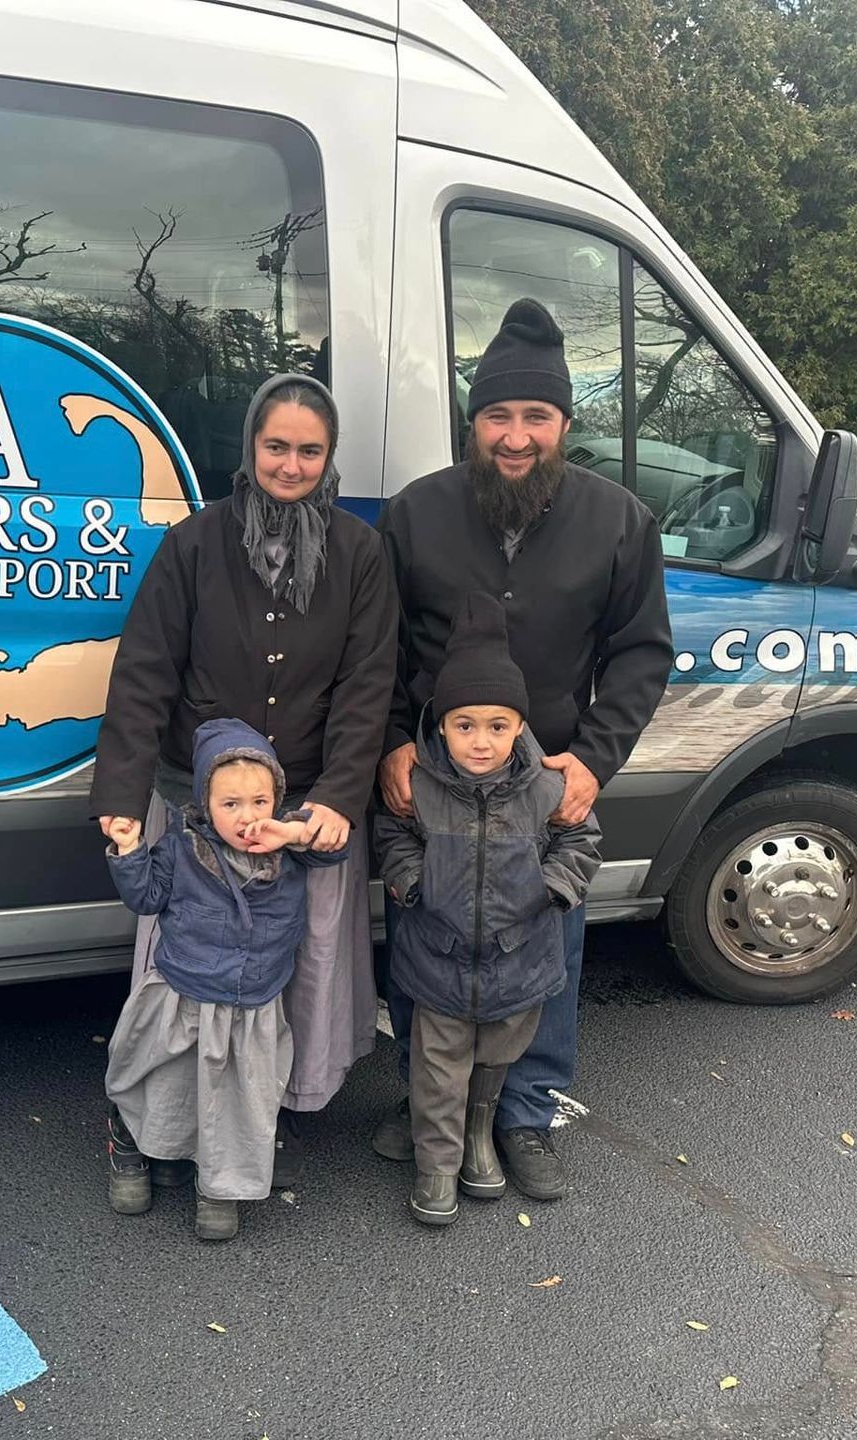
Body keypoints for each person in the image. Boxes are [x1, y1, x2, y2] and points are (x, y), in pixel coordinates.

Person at [374, 298, 674, 1201]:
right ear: (474, 424)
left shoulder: (619, 522)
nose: (515, 437)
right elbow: (375, 648)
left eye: (535, 417)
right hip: (427, 789)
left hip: (545, 790)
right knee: (421, 942)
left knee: (547, 948)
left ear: (564, 425)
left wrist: (593, 759)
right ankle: (427, 1102)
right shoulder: (415, 514)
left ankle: (527, 1112)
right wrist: (391, 742)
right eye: (498, 416)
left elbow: (642, 652)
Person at [91, 372, 399, 1184]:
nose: (290, 465)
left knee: (297, 965)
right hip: (197, 807)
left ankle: (268, 1104)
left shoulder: (362, 554)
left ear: (329, 458)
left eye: (308, 450)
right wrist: (121, 801)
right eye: (275, 446)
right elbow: (144, 674)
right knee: (181, 975)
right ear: (250, 447)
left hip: (301, 807)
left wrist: (336, 798)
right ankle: (154, 1120)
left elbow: (368, 685)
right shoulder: (193, 544)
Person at [375, 594, 601, 1226]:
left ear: (520, 728)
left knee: (496, 1058)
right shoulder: (418, 787)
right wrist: (412, 884)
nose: (481, 741)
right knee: (439, 1068)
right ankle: (437, 1166)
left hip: (518, 963)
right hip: (439, 964)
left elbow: (582, 841)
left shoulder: (547, 787)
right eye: (464, 725)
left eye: (498, 726)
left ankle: (481, 1140)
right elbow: (391, 837)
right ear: (440, 725)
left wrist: (554, 889)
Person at [102, 719, 346, 1242]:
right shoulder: (181, 848)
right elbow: (145, 897)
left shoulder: (289, 846)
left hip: (251, 1005)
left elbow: (334, 845)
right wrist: (129, 849)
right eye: (229, 803)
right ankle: (132, 1146)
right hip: (181, 994)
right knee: (163, 1083)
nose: (247, 817)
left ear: (276, 799)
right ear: (203, 803)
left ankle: (220, 1187)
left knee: (238, 1099)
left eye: (259, 802)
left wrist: (296, 830)